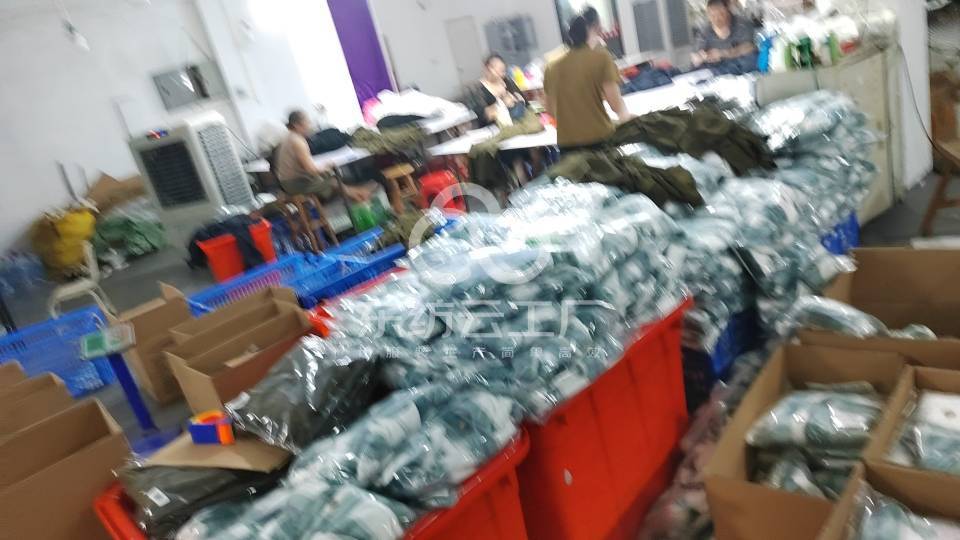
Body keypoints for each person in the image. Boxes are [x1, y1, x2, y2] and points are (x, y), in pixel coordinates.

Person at [544, 7, 632, 152]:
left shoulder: (551, 67)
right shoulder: (601, 57)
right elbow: (616, 105)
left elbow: (550, 110)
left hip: (567, 147)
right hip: (599, 143)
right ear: (598, 28)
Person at [273, 110, 374, 202]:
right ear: (297, 125)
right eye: (307, 122)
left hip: (288, 182)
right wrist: (328, 164)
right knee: (332, 182)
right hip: (295, 184)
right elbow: (311, 170)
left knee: (329, 176)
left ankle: (359, 193)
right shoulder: (298, 141)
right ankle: (361, 194)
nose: (309, 126)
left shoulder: (288, 137)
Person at [466, 54, 527, 128]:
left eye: (503, 71)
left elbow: (524, 101)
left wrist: (518, 100)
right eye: (497, 70)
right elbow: (483, 116)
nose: (501, 74)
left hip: (519, 124)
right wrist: (502, 103)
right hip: (494, 128)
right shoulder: (476, 89)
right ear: (486, 68)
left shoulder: (507, 81)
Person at [692, 0, 757, 67]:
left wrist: (722, 53)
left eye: (720, 14)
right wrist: (699, 57)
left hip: (741, 67)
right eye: (712, 15)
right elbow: (697, 54)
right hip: (716, 69)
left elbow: (750, 47)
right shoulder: (705, 31)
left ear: (728, 11)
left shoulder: (742, 24)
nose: (716, 19)